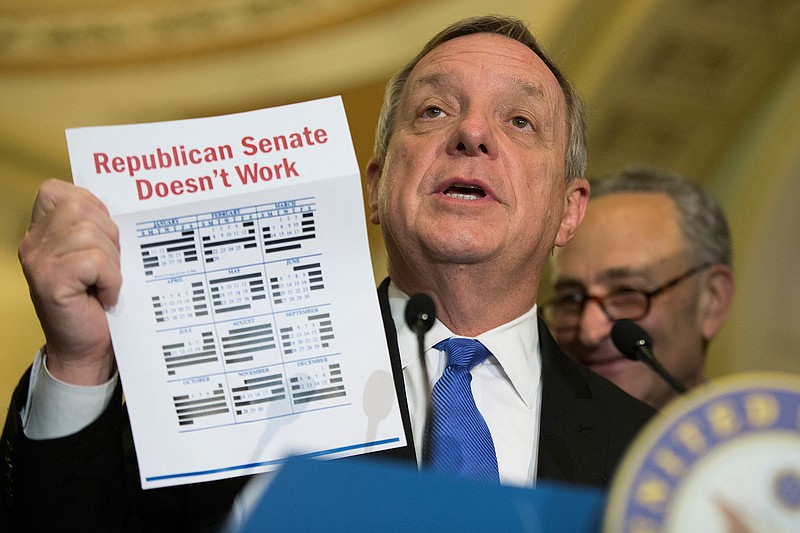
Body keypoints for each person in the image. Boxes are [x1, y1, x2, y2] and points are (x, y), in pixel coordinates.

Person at [1, 16, 655, 531]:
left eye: (519, 120)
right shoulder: (222, 383)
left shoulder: (647, 453)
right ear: (374, 189)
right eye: (434, 111)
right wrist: (77, 362)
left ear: (570, 211)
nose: (472, 134)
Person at [543, 167, 735, 410]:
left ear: (712, 301)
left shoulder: (767, 446)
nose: (589, 333)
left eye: (626, 293)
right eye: (571, 298)